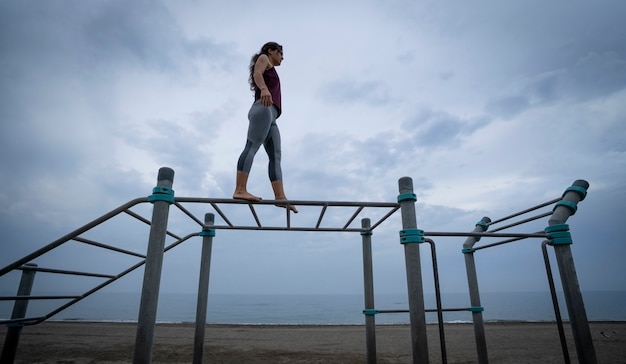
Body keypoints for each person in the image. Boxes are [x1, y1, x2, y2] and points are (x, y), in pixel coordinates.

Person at [233, 41, 298, 213]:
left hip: (272, 116)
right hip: (263, 108)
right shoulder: (264, 58)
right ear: (271, 51)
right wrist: (264, 89)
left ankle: (280, 197)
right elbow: (257, 73)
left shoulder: (273, 68)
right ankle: (240, 190)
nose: (282, 58)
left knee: (276, 156)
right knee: (252, 146)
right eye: (280, 53)